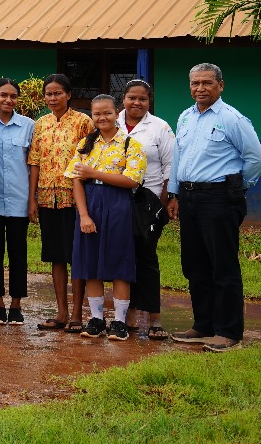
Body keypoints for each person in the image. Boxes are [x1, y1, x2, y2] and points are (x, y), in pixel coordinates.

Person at [168, 63, 261, 352]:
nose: (200, 88)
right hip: (190, 197)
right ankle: (203, 325)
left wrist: (235, 189)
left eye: (207, 83)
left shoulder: (232, 119)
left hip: (219, 198)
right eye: (195, 83)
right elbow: (177, 156)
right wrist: (173, 193)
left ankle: (228, 331)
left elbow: (255, 157)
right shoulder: (185, 117)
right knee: (194, 265)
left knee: (223, 266)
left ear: (221, 85)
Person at [68, 94, 146, 341]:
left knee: (119, 262)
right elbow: (76, 181)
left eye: (107, 113)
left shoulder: (130, 145)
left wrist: (94, 172)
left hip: (119, 204)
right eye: (97, 114)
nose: (102, 118)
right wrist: (83, 215)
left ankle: (120, 322)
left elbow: (132, 180)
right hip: (90, 204)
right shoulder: (85, 145)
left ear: (117, 113)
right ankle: (96, 319)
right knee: (91, 263)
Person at [28, 74, 93, 333]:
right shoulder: (40, 124)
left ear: (68, 94)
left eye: (57, 93)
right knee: (56, 256)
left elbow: (92, 160)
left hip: (74, 199)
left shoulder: (83, 122)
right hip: (46, 198)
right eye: (49, 93)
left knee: (76, 255)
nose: (52, 98)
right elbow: (34, 162)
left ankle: (77, 314)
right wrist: (32, 198)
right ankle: (61, 313)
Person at [116, 79, 176, 339]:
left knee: (147, 258)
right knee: (124, 258)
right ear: (123, 99)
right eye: (132, 98)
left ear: (149, 101)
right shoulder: (112, 122)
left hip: (149, 201)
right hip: (116, 200)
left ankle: (154, 318)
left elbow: (170, 167)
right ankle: (128, 314)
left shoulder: (160, 128)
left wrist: (166, 201)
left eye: (142, 99)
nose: (136, 103)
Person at [0, 78, 34, 325]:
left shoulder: (28, 126)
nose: (8, 100)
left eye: (13, 96)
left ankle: (16, 304)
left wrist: (32, 201)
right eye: (3, 95)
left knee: (18, 254)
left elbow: (33, 165)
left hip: (19, 199)